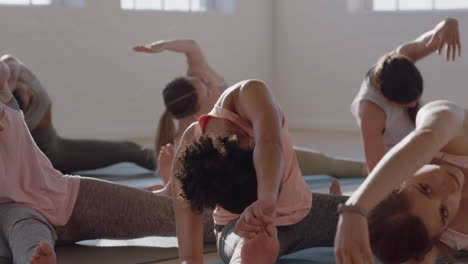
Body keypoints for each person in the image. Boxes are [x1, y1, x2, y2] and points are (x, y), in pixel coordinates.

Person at [0, 60, 214, 264]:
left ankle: (227, 224)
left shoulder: (5, 98)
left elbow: (4, 69)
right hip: (15, 213)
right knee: (29, 242)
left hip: (66, 195)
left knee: (170, 214)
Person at [133, 39, 367, 188]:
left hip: (266, 144)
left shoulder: (200, 80)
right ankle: (372, 169)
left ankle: (374, 166)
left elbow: (191, 47)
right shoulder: (190, 138)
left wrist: (162, 46)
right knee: (325, 165)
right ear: (199, 110)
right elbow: (189, 189)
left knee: (325, 161)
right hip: (254, 162)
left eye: (197, 79)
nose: (207, 80)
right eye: (203, 87)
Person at [171, 79, 349, 264]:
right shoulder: (189, 156)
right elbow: (189, 255)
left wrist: (266, 200)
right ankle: (243, 257)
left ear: (252, 144)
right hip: (238, 227)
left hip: (304, 210)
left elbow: (270, 145)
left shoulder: (247, 94)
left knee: (369, 212)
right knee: (244, 242)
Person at [334, 100, 468, 263]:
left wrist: (355, 207)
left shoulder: (450, 137)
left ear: (397, 178)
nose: (449, 189)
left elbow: (434, 128)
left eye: (426, 189)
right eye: (443, 212)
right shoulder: (435, 238)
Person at [1, 54, 155, 174]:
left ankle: (160, 160)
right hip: (26, 155)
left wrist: (10, 85)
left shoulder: (34, 96)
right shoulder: (12, 93)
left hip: (50, 152)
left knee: (128, 150)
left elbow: (10, 60)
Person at [351, 18, 461, 172]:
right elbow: (376, 168)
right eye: (406, 103)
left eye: (415, 99)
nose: (413, 105)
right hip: (401, 160)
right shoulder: (371, 111)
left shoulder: (399, 61)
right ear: (387, 99)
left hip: (424, 142)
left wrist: (449, 24)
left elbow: (430, 40)